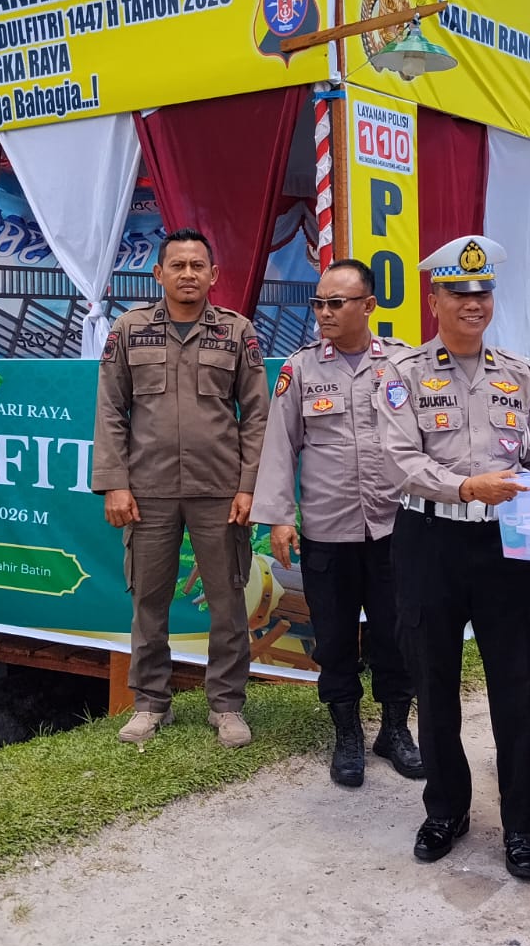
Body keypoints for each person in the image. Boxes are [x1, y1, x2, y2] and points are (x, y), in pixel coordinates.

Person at [377, 234, 530, 881]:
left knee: (517, 687)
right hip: (429, 540)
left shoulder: (519, 375)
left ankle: (522, 828)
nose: (473, 303)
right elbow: (401, 461)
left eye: (483, 292)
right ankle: (446, 810)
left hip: (503, 548)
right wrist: (464, 487)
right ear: (434, 300)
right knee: (434, 685)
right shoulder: (402, 375)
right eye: (459, 292)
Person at [93, 228, 270, 748]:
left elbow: (257, 414)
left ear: (213, 275)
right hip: (148, 491)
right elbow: (110, 409)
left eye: (197, 266)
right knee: (149, 600)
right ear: (159, 274)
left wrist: (249, 487)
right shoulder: (130, 330)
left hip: (220, 490)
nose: (188, 274)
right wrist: (115, 484)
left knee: (227, 600)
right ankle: (151, 704)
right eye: (178, 265)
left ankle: (227, 706)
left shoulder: (236, 332)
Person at [251, 258, 423, 788]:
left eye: (336, 303)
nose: (323, 312)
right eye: (318, 303)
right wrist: (280, 517)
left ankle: (394, 730)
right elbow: (280, 446)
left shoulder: (402, 363)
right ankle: (346, 734)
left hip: (394, 527)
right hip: (327, 531)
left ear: (368, 306)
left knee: (397, 634)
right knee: (333, 639)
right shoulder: (300, 369)